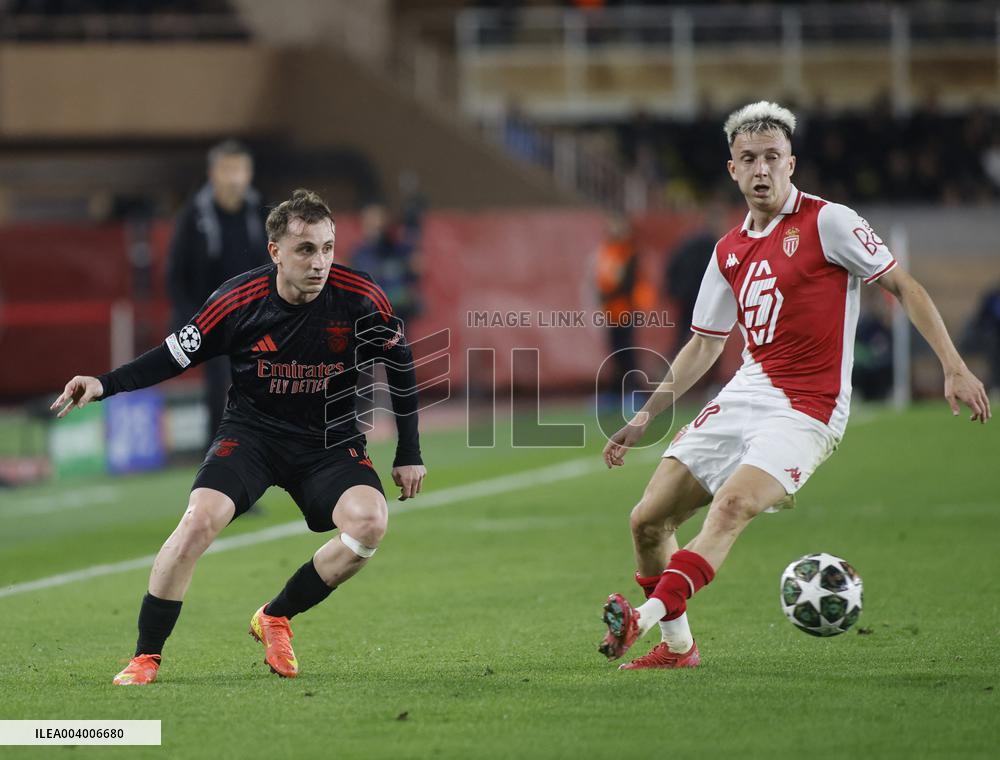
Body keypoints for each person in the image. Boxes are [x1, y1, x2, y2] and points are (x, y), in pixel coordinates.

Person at [597, 101, 991, 670]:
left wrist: (953, 365)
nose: (763, 170)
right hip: (745, 392)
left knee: (731, 506)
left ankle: (644, 618)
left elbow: (904, 286)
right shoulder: (727, 250)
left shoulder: (829, 222)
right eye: (750, 159)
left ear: (792, 163)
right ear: (732, 169)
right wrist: (644, 417)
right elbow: (704, 344)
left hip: (809, 406)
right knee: (647, 520)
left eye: (773, 158)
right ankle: (679, 649)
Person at [51, 189, 427, 685]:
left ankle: (276, 615)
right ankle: (145, 657)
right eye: (306, 249)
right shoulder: (237, 301)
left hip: (330, 441)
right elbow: (172, 354)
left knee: (369, 524)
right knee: (198, 521)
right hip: (253, 434)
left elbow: (399, 364)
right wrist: (104, 384)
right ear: (276, 252)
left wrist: (409, 451)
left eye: (328, 247)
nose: (320, 263)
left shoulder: (359, 296)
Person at [167, 139, 270, 444]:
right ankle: (219, 455)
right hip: (212, 320)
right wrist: (192, 322)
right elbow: (176, 274)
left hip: (257, 315)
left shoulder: (261, 210)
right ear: (213, 174)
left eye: (240, 169)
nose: (234, 177)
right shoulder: (193, 216)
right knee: (221, 387)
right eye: (228, 170)